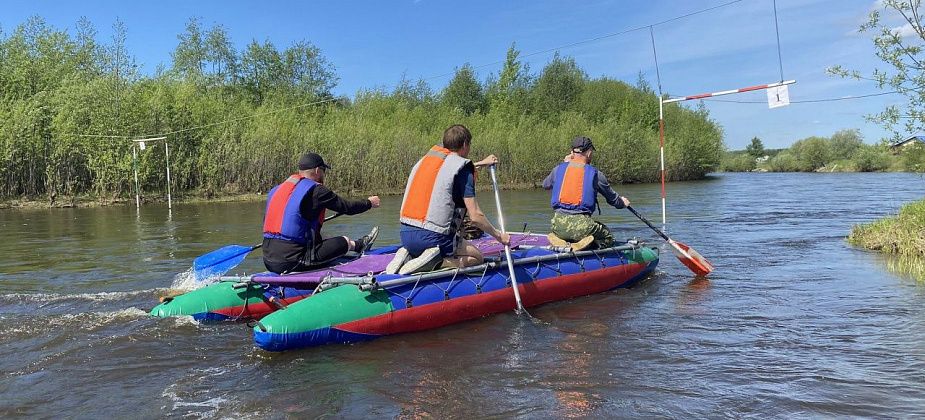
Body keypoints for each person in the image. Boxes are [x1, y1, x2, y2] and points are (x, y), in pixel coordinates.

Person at [387, 124, 511, 275]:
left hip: (406, 235)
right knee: (476, 257)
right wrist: (500, 236)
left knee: (425, 243)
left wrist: (480, 163)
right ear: (465, 144)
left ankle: (410, 254)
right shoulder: (463, 170)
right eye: (469, 144)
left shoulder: (426, 161)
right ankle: (437, 262)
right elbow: (476, 217)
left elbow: (450, 173)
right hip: (434, 238)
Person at [262, 152, 381, 274]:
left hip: (268, 260)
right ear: (318, 170)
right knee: (344, 241)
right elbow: (347, 207)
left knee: (324, 235)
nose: (324, 175)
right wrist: (369, 203)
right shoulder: (318, 191)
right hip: (293, 262)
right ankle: (356, 245)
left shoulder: (276, 190)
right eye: (324, 171)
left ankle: (358, 245)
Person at [542, 136, 630, 250]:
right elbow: (614, 200)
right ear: (588, 153)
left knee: (569, 232)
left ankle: (562, 240)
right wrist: (623, 202)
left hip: (558, 225)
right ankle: (585, 246)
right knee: (608, 237)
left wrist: (564, 163)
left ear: (571, 152)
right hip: (582, 227)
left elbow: (545, 185)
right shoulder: (596, 175)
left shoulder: (558, 169)